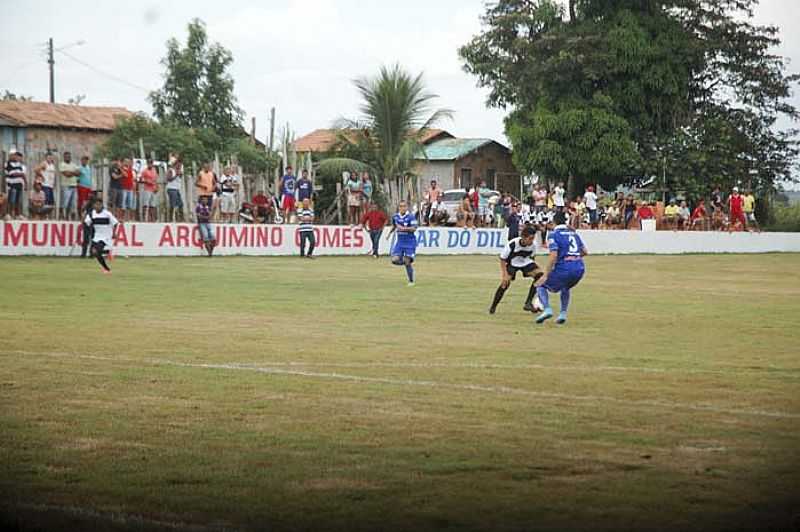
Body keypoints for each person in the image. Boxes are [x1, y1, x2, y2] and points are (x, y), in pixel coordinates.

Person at [535, 211, 588, 325]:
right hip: (579, 268)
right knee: (566, 287)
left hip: (565, 268)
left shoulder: (553, 234)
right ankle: (563, 314)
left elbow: (553, 255)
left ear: (554, 222)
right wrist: (574, 257)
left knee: (540, 285)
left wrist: (545, 274)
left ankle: (547, 309)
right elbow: (585, 252)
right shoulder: (574, 234)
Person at [489, 225, 544, 315]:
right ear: (523, 237)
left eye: (533, 238)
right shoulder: (513, 244)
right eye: (530, 238)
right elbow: (502, 259)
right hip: (512, 263)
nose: (532, 241)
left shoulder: (533, 246)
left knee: (540, 276)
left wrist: (536, 269)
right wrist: (504, 275)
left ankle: (528, 303)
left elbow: (532, 258)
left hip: (525, 262)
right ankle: (493, 306)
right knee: (505, 283)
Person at [84, 197, 120, 274]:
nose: (98, 206)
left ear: (101, 205)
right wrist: (84, 213)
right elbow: (86, 222)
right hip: (97, 235)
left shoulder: (107, 214)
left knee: (96, 251)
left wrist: (113, 233)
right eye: (96, 204)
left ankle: (106, 268)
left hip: (106, 235)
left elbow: (116, 223)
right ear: (93, 205)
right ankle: (108, 254)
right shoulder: (91, 214)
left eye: (99, 204)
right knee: (94, 252)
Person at [390, 200, 418, 286]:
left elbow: (414, 228)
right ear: (399, 208)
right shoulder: (395, 216)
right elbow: (395, 225)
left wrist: (403, 228)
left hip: (410, 242)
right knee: (394, 260)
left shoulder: (411, 217)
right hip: (400, 242)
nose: (403, 208)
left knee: (406, 261)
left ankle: (411, 281)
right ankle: (407, 262)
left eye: (404, 206)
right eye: (401, 206)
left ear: (407, 207)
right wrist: (390, 232)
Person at [5, 151, 27, 219]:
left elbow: (22, 175)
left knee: (18, 200)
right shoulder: (8, 163)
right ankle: (9, 214)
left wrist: (26, 183)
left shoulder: (19, 164)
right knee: (11, 200)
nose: (17, 157)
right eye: (15, 156)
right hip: (12, 184)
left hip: (19, 184)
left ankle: (18, 215)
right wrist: (21, 174)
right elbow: (12, 173)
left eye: (18, 156)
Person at [59, 151, 80, 220]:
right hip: (66, 186)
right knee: (65, 203)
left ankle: (70, 218)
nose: (68, 158)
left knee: (73, 204)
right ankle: (63, 217)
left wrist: (71, 172)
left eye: (69, 156)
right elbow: (67, 175)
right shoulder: (62, 164)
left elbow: (79, 173)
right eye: (66, 156)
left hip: (74, 186)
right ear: (64, 157)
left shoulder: (73, 164)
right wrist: (74, 172)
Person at [165, 155, 184, 222]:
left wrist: (180, 174)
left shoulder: (179, 171)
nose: (180, 166)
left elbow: (180, 178)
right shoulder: (171, 170)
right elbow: (168, 179)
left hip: (177, 189)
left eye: (181, 165)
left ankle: (181, 219)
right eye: (179, 165)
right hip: (171, 188)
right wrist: (176, 175)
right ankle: (170, 218)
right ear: (176, 164)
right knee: (173, 204)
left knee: (180, 204)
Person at [80, 191, 97, 258]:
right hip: (90, 222)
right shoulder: (91, 203)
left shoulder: (88, 203)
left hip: (89, 222)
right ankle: (90, 254)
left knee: (87, 239)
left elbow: (83, 211)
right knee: (91, 239)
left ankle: (84, 254)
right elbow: (83, 211)